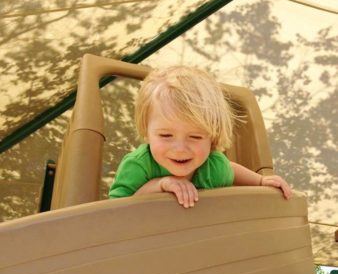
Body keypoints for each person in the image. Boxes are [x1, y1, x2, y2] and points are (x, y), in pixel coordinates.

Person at [109, 66, 291, 208]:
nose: (180, 148)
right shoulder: (138, 166)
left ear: (212, 138)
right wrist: (159, 185)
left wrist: (260, 181)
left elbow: (229, 169)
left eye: (195, 137)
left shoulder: (213, 166)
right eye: (166, 135)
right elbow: (115, 212)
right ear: (146, 131)